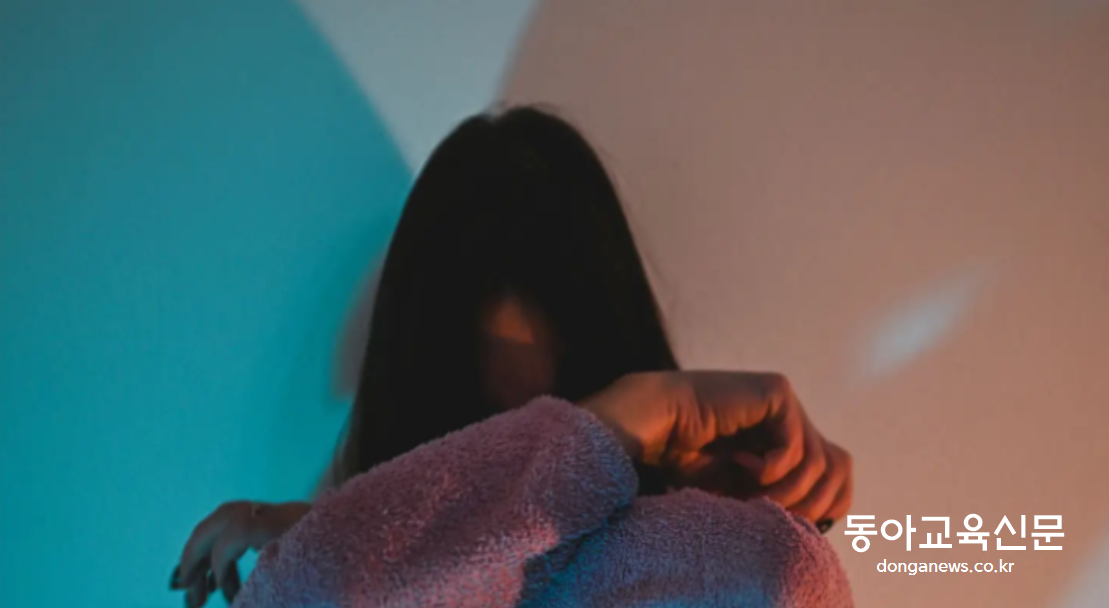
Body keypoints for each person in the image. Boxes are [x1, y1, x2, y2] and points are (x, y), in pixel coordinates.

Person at [170, 106, 854, 607]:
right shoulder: (324, 567)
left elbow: (776, 574)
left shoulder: (740, 567)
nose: (528, 476)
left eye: (565, 421)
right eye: (481, 440)